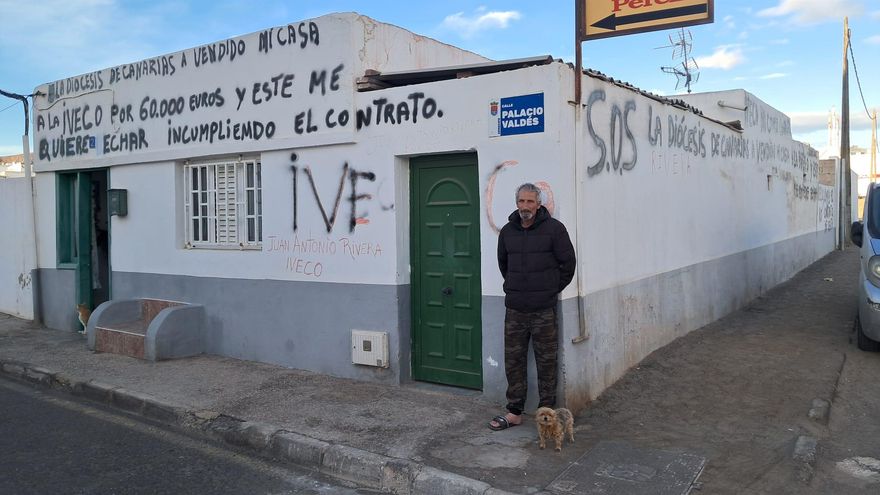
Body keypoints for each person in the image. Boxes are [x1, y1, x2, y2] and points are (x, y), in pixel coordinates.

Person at [489, 183, 576, 431]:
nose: (525, 206)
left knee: (546, 363)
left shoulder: (555, 230)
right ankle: (514, 411)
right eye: (521, 202)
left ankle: (546, 415)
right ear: (516, 203)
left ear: (539, 204)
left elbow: (568, 264)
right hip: (515, 309)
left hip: (543, 310)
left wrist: (549, 289)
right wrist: (516, 288)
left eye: (530, 202)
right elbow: (503, 264)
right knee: (514, 362)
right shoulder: (507, 232)